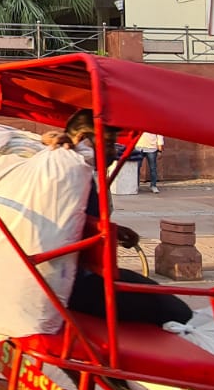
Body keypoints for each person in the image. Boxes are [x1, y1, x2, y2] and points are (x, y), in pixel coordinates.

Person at [55, 110, 192, 326]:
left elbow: (78, 223)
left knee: (158, 295)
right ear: (82, 139)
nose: (112, 152)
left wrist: (112, 231)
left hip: (82, 276)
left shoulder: (79, 174)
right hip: (76, 283)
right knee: (178, 312)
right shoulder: (65, 172)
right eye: (108, 144)